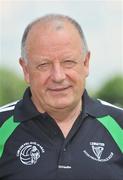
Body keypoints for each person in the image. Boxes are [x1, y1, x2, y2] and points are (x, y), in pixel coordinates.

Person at [0, 14, 123, 180]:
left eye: (68, 62)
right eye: (43, 65)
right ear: (26, 70)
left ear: (86, 63)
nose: (58, 76)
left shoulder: (119, 125)